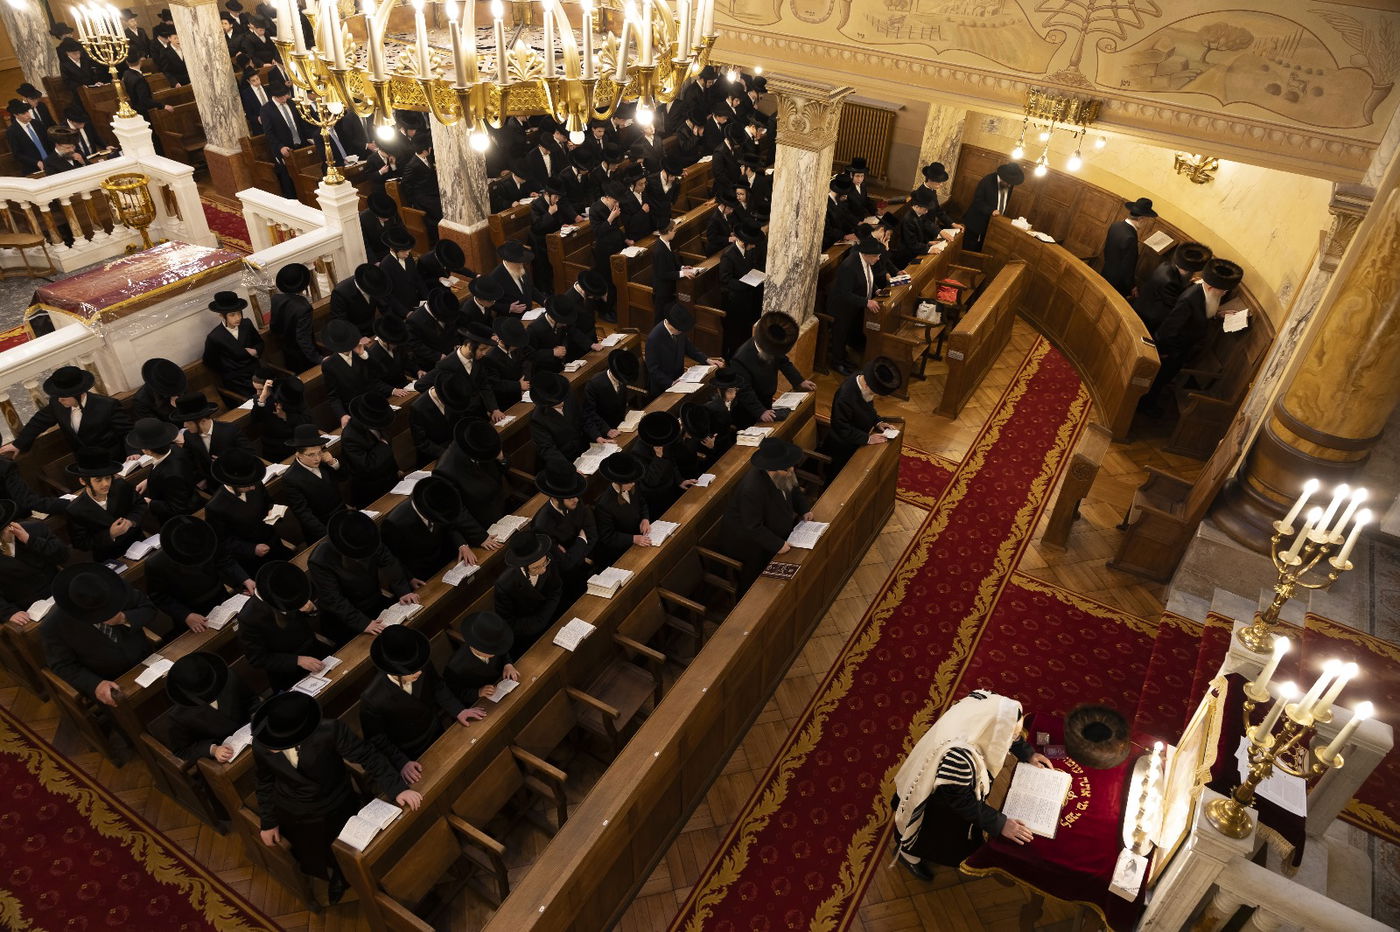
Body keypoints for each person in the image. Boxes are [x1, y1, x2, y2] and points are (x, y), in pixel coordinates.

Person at [252, 691, 420, 904]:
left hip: (335, 801)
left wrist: (398, 789)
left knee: (347, 847)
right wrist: (268, 822)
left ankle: (348, 874)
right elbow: (264, 782)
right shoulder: (262, 742)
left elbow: (368, 756)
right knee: (314, 852)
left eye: (277, 743)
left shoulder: (330, 730)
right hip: (294, 808)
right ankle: (336, 876)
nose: (270, 748)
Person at [891, 690, 1052, 879]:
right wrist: (1001, 824)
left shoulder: (984, 707)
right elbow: (961, 802)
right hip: (936, 802)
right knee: (931, 834)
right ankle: (907, 854)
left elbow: (1009, 731)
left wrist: (1028, 753)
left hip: (942, 780)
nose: (1013, 739)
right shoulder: (959, 758)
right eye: (1011, 736)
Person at [360, 626, 483, 787]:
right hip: (409, 753)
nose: (418, 673)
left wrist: (458, 710)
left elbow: (438, 687)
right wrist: (402, 762)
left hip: (436, 731)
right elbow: (377, 739)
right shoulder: (372, 699)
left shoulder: (420, 664)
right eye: (410, 672)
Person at [41, 563, 157, 707]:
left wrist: (124, 618)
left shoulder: (115, 587)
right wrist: (95, 684)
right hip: (110, 683)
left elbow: (149, 608)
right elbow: (62, 666)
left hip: (145, 660)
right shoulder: (53, 626)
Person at [1143, 258, 1244, 416]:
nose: (1224, 294)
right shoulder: (1189, 300)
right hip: (1171, 351)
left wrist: (1217, 315)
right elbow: (1167, 329)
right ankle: (1146, 406)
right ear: (1210, 287)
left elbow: (1201, 314)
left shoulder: (1205, 294)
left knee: (1164, 379)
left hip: (1181, 350)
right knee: (1159, 380)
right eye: (1222, 291)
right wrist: (1167, 352)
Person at [306, 510, 415, 644]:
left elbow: (388, 561)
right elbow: (334, 600)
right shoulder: (320, 560)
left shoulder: (367, 538)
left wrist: (403, 591)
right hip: (345, 620)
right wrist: (363, 623)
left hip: (374, 602)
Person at [720, 436, 811, 585]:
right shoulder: (752, 489)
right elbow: (753, 526)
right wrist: (777, 544)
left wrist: (804, 509)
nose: (791, 470)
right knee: (759, 583)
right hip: (748, 543)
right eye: (787, 469)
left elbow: (794, 489)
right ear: (772, 470)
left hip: (771, 529)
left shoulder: (784, 470)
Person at [146, 515, 252, 635]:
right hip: (190, 613)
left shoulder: (207, 539)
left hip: (221, 598)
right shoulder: (156, 563)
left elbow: (224, 560)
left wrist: (245, 579)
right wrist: (186, 615)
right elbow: (159, 597)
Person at [1, 365, 132, 461]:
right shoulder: (58, 404)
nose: (59, 399)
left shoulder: (108, 405)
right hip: (84, 465)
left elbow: (128, 432)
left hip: (115, 461)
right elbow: (39, 421)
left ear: (79, 394)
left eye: (63, 396)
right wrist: (18, 444)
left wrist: (133, 453)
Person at [238, 561, 327, 691]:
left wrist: (312, 609)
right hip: (288, 672)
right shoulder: (249, 618)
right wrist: (297, 660)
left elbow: (313, 612)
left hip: (315, 650)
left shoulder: (290, 586)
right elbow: (258, 658)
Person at [160, 652, 258, 764]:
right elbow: (182, 750)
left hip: (253, 733)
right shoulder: (178, 716)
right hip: (223, 758)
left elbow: (251, 700)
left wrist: (256, 715)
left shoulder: (229, 677)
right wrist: (213, 749)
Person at [205, 449, 293, 566]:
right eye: (247, 485)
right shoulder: (215, 507)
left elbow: (268, 502)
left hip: (273, 541)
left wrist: (272, 509)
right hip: (252, 558)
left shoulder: (255, 483)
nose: (252, 488)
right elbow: (222, 541)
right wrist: (251, 549)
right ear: (233, 484)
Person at [381, 476, 477, 583]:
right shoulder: (394, 523)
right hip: (421, 575)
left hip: (447, 559)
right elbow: (393, 558)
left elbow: (450, 526)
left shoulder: (437, 502)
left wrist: (462, 545)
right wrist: (410, 578)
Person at [731, 312, 816, 428]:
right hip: (748, 411)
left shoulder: (771, 344)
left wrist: (799, 381)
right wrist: (760, 411)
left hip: (767, 402)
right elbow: (744, 391)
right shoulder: (740, 359)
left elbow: (784, 362)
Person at [62, 448, 148, 560]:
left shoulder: (120, 486)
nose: (105, 484)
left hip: (138, 542)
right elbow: (81, 543)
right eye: (98, 480)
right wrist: (110, 534)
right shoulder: (75, 509)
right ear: (83, 481)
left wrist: (131, 521)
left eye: (108, 478)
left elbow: (140, 504)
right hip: (110, 555)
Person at [436, 420, 510, 548]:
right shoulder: (445, 471)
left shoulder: (483, 445)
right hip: (480, 525)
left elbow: (500, 472)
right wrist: (480, 537)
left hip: (501, 508)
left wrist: (502, 460)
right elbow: (456, 510)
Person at [825, 357, 902, 473]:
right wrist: (868, 438)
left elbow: (867, 408)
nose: (874, 396)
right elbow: (841, 429)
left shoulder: (866, 379)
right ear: (866, 385)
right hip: (843, 448)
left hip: (858, 438)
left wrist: (877, 421)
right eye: (874, 393)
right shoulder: (845, 397)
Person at [0, 498, 69, 626]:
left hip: (61, 589)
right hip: (29, 609)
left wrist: (30, 540)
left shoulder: (34, 529)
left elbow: (63, 555)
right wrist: (9, 613)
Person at [531, 463, 596, 598]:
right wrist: (581, 541)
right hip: (567, 580)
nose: (577, 499)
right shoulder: (542, 525)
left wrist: (577, 554)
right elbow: (563, 564)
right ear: (555, 498)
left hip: (588, 561)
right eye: (571, 497)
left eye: (576, 496)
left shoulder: (575, 501)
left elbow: (592, 534)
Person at [492, 531, 563, 651]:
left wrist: (544, 617)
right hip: (528, 635)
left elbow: (556, 589)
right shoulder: (505, 585)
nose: (543, 570)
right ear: (523, 565)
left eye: (544, 563)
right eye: (536, 568)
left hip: (552, 616)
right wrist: (537, 624)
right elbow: (508, 623)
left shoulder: (547, 558)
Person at [826, 237, 885, 375]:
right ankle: (837, 362)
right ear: (866, 254)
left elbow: (867, 279)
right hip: (841, 308)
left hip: (854, 306)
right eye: (876, 256)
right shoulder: (849, 266)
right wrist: (866, 302)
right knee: (840, 335)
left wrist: (875, 289)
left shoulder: (865, 261)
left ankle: (843, 358)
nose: (878, 259)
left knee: (847, 333)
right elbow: (844, 294)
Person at [171, 392, 255, 488]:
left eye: (188, 422)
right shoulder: (188, 435)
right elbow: (190, 461)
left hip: (238, 481)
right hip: (213, 486)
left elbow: (250, 454)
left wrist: (229, 460)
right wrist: (199, 479)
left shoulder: (230, 430)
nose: (184, 426)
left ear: (202, 421)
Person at [127, 417, 201, 522]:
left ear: (147, 450)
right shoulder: (175, 449)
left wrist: (150, 503)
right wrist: (148, 481)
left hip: (180, 519)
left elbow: (177, 508)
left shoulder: (172, 475)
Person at [321, 319, 393, 423]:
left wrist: (364, 355)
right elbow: (333, 396)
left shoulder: (363, 352)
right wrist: (342, 415)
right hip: (354, 410)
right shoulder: (329, 365)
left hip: (374, 402)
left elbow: (382, 373)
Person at [1133, 241, 1210, 333]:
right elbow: (1177, 305)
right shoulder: (1170, 282)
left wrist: (1189, 283)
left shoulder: (1166, 265)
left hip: (1143, 306)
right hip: (1148, 318)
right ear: (1188, 271)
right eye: (1193, 272)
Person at [444, 611, 519, 706]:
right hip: (483, 701)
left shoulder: (495, 641)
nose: (495, 653)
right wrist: (478, 692)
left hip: (503, 682)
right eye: (490, 651)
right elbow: (457, 693)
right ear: (475, 646)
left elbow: (503, 651)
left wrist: (508, 664)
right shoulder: (454, 667)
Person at [645, 303, 720, 394]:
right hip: (663, 387)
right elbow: (653, 369)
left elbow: (690, 348)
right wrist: (671, 383)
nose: (682, 332)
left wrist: (707, 360)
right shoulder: (654, 338)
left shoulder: (679, 330)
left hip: (681, 380)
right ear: (673, 327)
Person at [202, 291, 263, 399]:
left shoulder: (246, 324)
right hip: (237, 381)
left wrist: (255, 351)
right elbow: (209, 361)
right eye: (232, 315)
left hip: (257, 373)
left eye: (239, 313)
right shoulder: (214, 337)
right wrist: (229, 367)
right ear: (222, 315)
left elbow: (259, 342)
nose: (238, 318)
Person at [717, 223, 765, 355]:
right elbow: (725, 280)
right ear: (743, 242)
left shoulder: (749, 251)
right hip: (734, 301)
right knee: (735, 335)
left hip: (748, 298)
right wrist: (746, 284)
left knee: (747, 331)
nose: (754, 246)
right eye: (752, 243)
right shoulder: (728, 255)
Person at [260, 80, 313, 197]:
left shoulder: (292, 104)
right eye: (282, 97)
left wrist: (309, 137)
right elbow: (269, 133)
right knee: (289, 179)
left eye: (286, 95)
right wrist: (280, 147)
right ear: (275, 96)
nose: (285, 98)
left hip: (301, 144)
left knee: (305, 174)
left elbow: (301, 123)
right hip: (284, 148)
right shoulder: (266, 110)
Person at [529, 371, 588, 473]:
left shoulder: (567, 396)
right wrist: (569, 469)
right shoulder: (538, 419)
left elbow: (583, 419)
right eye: (557, 402)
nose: (562, 402)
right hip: (562, 463)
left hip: (583, 452)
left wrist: (597, 436)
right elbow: (548, 450)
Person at [270, 262, 321, 374]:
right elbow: (303, 339)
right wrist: (318, 360)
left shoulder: (276, 299)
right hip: (303, 357)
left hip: (287, 352)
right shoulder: (304, 308)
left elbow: (274, 327)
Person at [1101, 197, 1157, 297]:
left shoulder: (1116, 225)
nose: (1146, 223)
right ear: (1141, 219)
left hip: (1105, 272)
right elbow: (1127, 268)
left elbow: (1106, 250)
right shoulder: (1130, 237)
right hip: (1117, 283)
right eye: (1147, 220)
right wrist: (1132, 286)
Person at [962, 163, 1024, 251]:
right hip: (976, 222)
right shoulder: (987, 181)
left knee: (982, 249)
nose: (1010, 185)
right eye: (1008, 183)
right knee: (969, 247)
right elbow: (978, 201)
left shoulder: (1009, 183)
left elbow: (1004, 201)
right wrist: (991, 210)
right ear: (1002, 177)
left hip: (992, 224)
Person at [582, 349, 639, 443]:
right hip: (605, 432)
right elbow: (589, 414)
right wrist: (606, 430)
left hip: (622, 426)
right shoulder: (595, 384)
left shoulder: (622, 376)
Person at [651, 218, 697, 324]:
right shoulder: (658, 250)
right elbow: (662, 274)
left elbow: (672, 261)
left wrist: (682, 267)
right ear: (668, 231)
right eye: (675, 230)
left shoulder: (667, 243)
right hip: (662, 291)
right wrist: (682, 274)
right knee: (660, 320)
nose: (676, 232)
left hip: (669, 288)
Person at [331, 262, 392, 337]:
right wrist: (358, 339)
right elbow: (341, 323)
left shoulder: (374, 282)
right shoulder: (340, 293)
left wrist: (393, 325)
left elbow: (385, 307)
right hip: (354, 336)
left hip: (373, 330)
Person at [133, 357, 187, 424]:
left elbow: (190, 412)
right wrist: (174, 409)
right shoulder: (141, 401)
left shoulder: (178, 384)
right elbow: (157, 428)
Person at [360, 192, 400, 263]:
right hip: (377, 256)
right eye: (384, 217)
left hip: (394, 251)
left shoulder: (391, 212)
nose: (387, 219)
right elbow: (365, 244)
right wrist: (375, 262)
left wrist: (401, 249)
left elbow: (400, 230)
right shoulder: (363, 219)